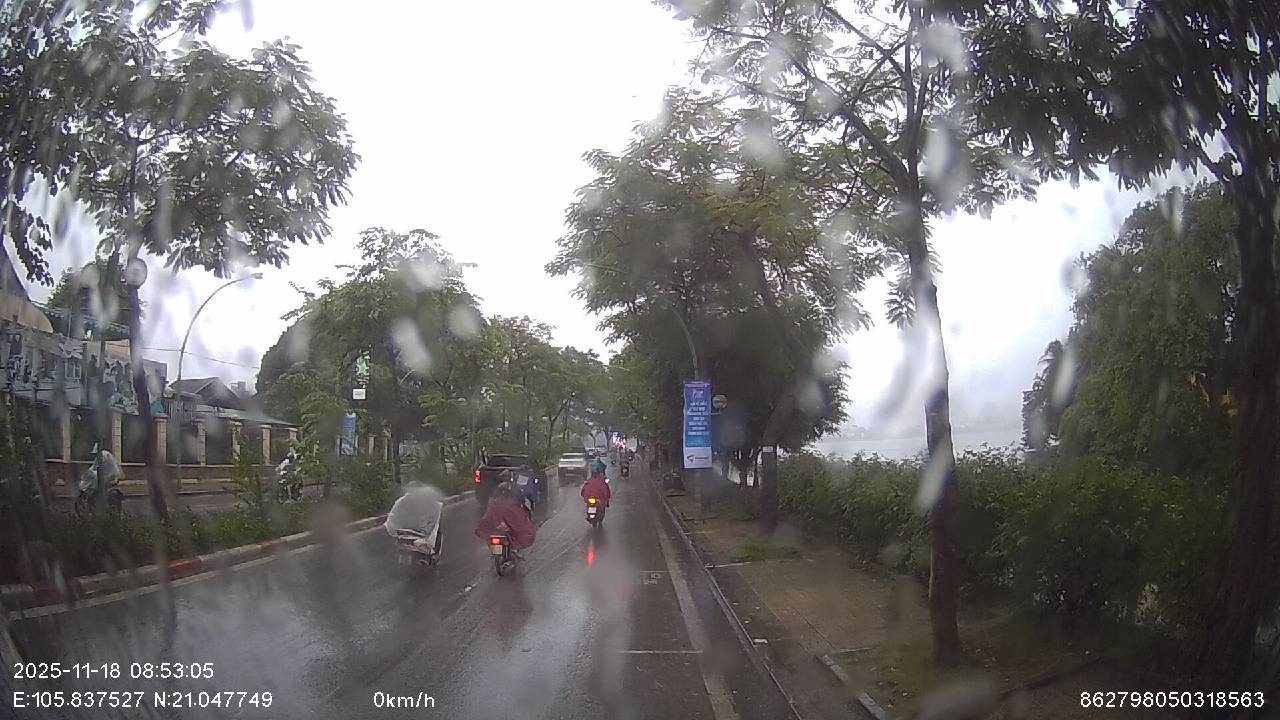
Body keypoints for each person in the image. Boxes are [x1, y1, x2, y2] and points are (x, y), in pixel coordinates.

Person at [475, 480, 537, 557]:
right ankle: (513, 549)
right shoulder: (513, 500)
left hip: (495, 523)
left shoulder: (495, 497)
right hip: (506, 523)